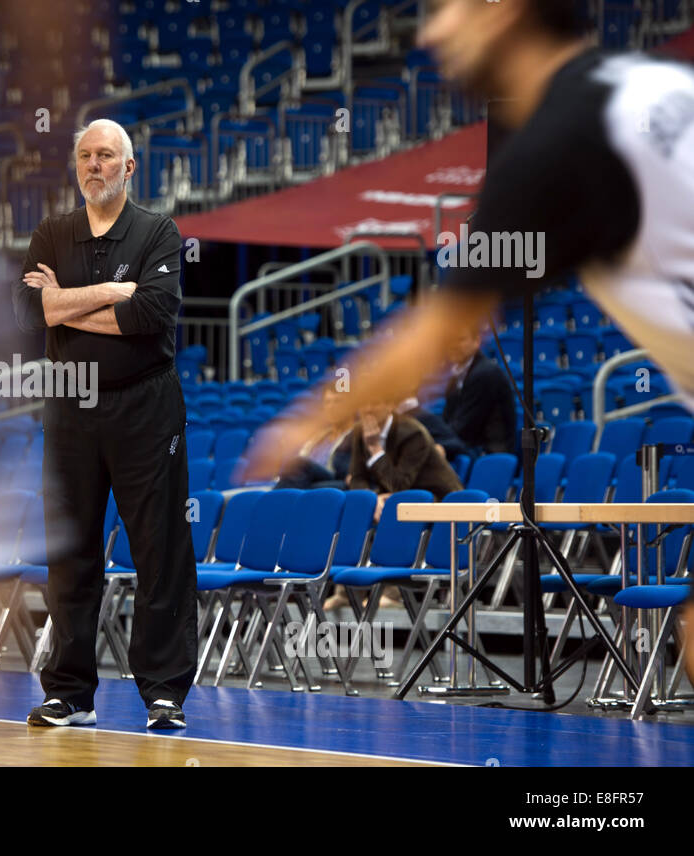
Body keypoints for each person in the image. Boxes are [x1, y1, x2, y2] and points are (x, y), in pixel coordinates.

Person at [239, 0, 694, 658]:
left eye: (445, 8)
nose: (430, 33)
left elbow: (428, 336)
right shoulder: (636, 86)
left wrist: (299, 424)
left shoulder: (562, 140)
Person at [13, 119, 196, 730]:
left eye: (107, 156)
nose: (95, 164)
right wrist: (110, 294)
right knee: (70, 552)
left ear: (129, 166)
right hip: (70, 407)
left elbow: (151, 312)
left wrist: (64, 304)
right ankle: (70, 693)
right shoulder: (52, 232)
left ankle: (164, 693)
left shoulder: (158, 232)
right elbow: (26, 310)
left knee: (159, 552)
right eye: (86, 156)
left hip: (146, 407)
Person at [442, 323, 518, 455]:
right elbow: (448, 420)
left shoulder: (484, 373)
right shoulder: (456, 377)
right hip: (472, 448)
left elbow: (464, 427)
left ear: (477, 341)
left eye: (460, 339)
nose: (453, 346)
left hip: (490, 454)